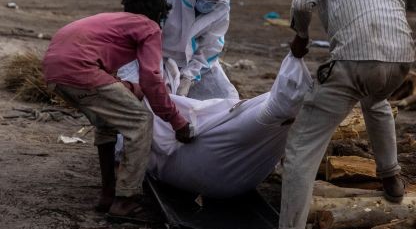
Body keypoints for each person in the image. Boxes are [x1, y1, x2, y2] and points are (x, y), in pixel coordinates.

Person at [260, 0, 415, 229]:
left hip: (355, 59)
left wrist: (301, 37)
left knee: (302, 145)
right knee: (375, 102)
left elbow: (302, 3)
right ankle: (391, 178)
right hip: (401, 60)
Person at [42, 0, 192, 220]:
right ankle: (125, 201)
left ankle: (108, 194)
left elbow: (107, 74)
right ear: (159, 14)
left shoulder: (111, 21)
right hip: (81, 70)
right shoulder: (148, 26)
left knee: (106, 124)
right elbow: (152, 78)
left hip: (54, 72)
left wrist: (130, 88)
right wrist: (177, 122)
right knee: (140, 122)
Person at [118, 53, 311, 198]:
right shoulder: (139, 62)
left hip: (211, 166)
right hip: (219, 171)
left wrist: (186, 81)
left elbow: (208, 49)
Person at [159, 0, 239, 100]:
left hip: (195, 62)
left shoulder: (221, 5)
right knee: (162, 100)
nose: (211, 2)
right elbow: (146, 38)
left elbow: (211, 46)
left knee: (227, 98)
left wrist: (189, 77)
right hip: (159, 58)